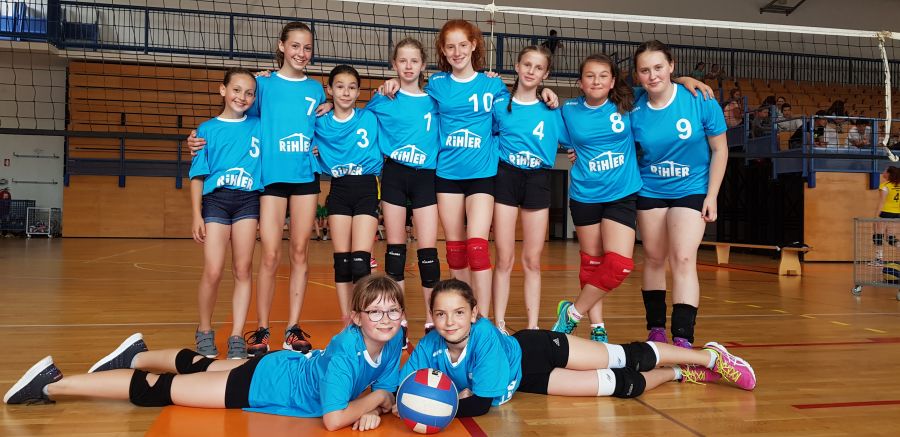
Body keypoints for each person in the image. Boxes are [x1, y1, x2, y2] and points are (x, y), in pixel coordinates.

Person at [4, 275, 405, 432]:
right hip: (263, 383)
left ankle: (135, 355)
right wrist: (374, 401)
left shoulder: (389, 343)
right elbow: (334, 419)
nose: (385, 319)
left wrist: (375, 404)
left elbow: (384, 393)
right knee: (160, 390)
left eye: (393, 311)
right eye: (375, 312)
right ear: (356, 317)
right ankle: (52, 384)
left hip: (280, 366)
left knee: (203, 364)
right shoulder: (346, 352)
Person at [380, 19, 559, 318]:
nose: (457, 52)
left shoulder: (493, 85)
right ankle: (463, 312)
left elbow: (520, 104)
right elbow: (413, 96)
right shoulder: (436, 85)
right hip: (447, 175)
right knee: (455, 251)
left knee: (477, 247)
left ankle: (483, 318)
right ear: (443, 50)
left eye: (463, 45)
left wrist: (546, 92)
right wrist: (394, 82)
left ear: (474, 45)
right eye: (450, 46)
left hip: (482, 175)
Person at [397, 279, 756, 417]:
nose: (450, 321)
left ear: (474, 313)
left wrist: (434, 407)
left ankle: (709, 356)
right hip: (526, 381)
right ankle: (680, 373)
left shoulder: (485, 336)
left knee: (626, 357)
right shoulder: (429, 346)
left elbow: (479, 405)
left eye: (459, 312)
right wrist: (396, 401)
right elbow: (402, 384)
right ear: (432, 317)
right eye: (441, 314)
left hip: (537, 350)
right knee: (622, 385)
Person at [188, 22, 328, 355]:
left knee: (300, 251)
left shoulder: (316, 90)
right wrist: (196, 140)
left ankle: (292, 329)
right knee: (269, 254)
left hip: (305, 177)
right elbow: (233, 117)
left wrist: (331, 111)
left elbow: (327, 125)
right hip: (270, 179)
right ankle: (262, 329)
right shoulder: (262, 85)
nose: (301, 53)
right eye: (295, 46)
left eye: (307, 47)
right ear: (281, 46)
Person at [555, 55, 714, 343]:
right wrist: (545, 93)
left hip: (622, 194)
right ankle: (597, 327)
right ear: (580, 82)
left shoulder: (628, 102)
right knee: (591, 263)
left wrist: (683, 79)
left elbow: (659, 84)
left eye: (603, 75)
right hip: (585, 194)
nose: (596, 81)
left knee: (619, 264)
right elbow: (553, 128)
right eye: (589, 76)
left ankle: (573, 312)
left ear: (613, 81)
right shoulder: (568, 111)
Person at [629, 40, 728, 349]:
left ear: (671, 66)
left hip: (692, 188)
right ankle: (656, 331)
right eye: (645, 70)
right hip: (650, 188)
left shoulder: (700, 99)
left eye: (659, 67)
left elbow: (720, 149)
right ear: (637, 75)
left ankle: (683, 337)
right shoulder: (632, 104)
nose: (652, 75)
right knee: (654, 257)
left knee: (683, 257)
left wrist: (712, 195)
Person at [365, 38, 442, 342]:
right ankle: (399, 321)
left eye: (414, 61)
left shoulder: (435, 99)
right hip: (395, 173)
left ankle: (432, 320)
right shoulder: (383, 98)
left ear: (423, 65)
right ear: (393, 64)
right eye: (402, 61)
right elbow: (353, 121)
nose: (408, 66)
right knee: (395, 251)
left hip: (427, 176)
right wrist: (330, 105)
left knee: (428, 252)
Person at [188, 68, 262, 359]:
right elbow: (197, 175)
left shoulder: (259, 125)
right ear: (223, 90)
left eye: (249, 93)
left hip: (248, 200)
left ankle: (236, 335)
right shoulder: (206, 130)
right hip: (216, 201)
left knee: (243, 269)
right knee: (213, 270)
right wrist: (196, 215)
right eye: (236, 90)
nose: (242, 97)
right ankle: (204, 330)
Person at [491, 45, 565, 333]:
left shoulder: (552, 110)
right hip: (506, 177)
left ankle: (533, 327)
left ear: (546, 74)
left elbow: (579, 137)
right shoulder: (499, 104)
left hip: (538, 179)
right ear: (517, 66)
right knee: (504, 258)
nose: (531, 71)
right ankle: (499, 323)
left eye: (538, 67)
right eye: (527, 65)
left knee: (532, 260)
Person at [315, 65, 384, 321]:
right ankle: (347, 320)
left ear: (358, 92)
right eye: (340, 87)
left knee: (360, 262)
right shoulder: (319, 121)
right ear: (329, 90)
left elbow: (397, 93)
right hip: (339, 189)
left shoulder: (370, 115)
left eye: (352, 87)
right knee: (342, 262)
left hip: (367, 187)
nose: (346, 92)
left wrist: (394, 84)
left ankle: (363, 317)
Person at [873, 166, 900, 262]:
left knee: (878, 235)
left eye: (885, 170)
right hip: (897, 214)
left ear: (889, 174)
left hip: (885, 213)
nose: (883, 172)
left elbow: (881, 202)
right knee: (891, 238)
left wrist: (876, 216)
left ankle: (878, 259)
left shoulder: (885, 185)